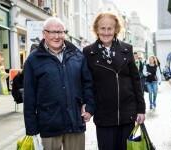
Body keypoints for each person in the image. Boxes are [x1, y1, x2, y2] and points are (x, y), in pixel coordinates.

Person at [23, 17, 95, 150]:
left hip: (75, 122)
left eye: (60, 32)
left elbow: (87, 84)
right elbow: (29, 95)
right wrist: (32, 129)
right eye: (52, 32)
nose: (57, 36)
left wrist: (89, 106)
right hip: (49, 124)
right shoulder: (33, 60)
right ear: (44, 34)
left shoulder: (77, 55)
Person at [83, 12, 146, 150]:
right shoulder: (88, 52)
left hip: (127, 114)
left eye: (110, 28)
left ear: (116, 29)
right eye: (102, 28)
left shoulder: (126, 49)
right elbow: (87, 84)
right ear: (96, 29)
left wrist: (141, 109)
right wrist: (88, 107)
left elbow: (136, 81)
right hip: (103, 116)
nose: (106, 32)